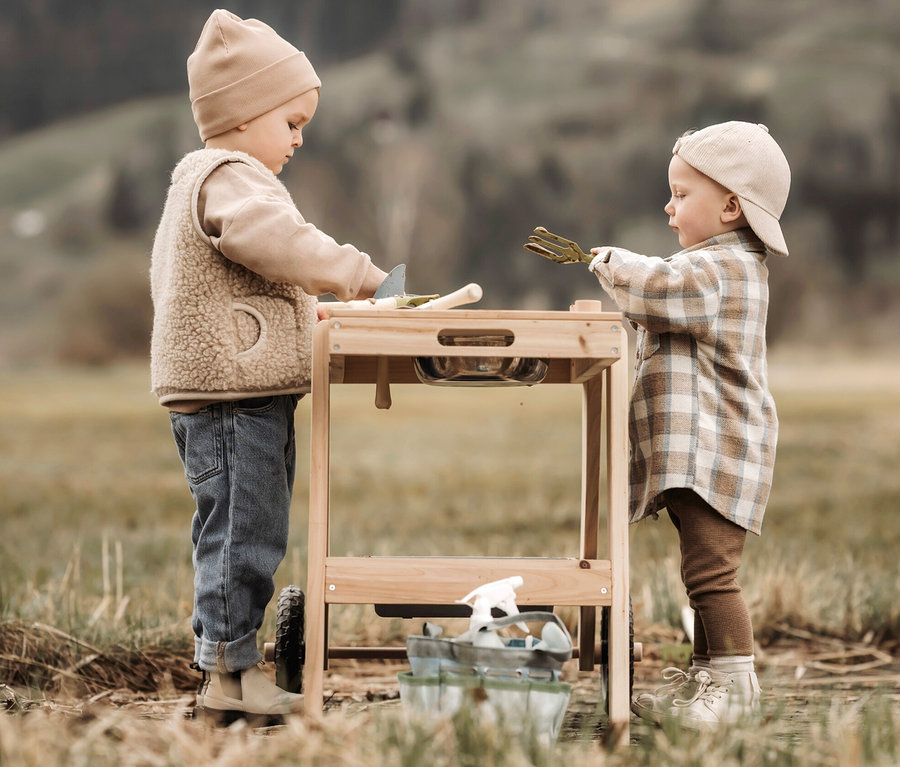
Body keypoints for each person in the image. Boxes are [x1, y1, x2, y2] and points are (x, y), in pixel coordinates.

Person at [149, 9, 389, 723]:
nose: (298, 138)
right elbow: (275, 241)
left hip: (242, 392)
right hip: (232, 398)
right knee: (241, 534)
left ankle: (232, 667)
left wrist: (300, 315)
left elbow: (244, 283)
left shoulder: (217, 180)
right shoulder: (228, 177)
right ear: (247, 114)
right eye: (291, 120)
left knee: (249, 527)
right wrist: (353, 274)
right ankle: (228, 674)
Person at [532, 121, 789, 727]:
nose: (668, 207)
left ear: (731, 206)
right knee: (700, 569)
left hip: (717, 452)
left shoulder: (724, 270)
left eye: (681, 194)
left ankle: (733, 686)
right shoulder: (712, 265)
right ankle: (710, 681)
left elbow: (657, 289)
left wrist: (610, 261)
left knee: (711, 573)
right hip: (700, 455)